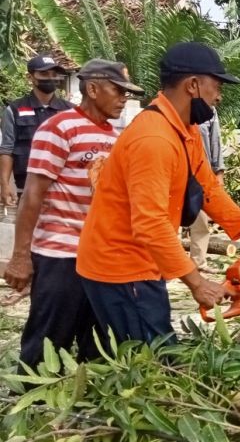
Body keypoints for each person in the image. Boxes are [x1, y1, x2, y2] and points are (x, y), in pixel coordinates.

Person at [76, 42, 240, 345]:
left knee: (126, 356)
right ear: (193, 85)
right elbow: (150, 223)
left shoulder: (185, 130)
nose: (219, 96)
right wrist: (197, 282)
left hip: (141, 264)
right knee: (152, 363)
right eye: (216, 86)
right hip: (122, 268)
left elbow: (208, 188)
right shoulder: (154, 139)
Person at [4, 60, 143, 369]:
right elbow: (33, 195)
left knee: (99, 344)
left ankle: (82, 411)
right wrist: (20, 256)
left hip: (100, 258)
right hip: (60, 255)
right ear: (92, 89)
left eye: (127, 93)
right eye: (118, 91)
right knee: (48, 342)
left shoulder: (114, 138)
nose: (124, 98)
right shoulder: (58, 128)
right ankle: (33, 406)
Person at [0, 54, 72, 206]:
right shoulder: (14, 110)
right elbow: (7, 149)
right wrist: (4, 185)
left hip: (63, 191)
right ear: (31, 77)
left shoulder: (70, 111)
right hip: (26, 189)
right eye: (44, 74)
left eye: (54, 74)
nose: (50, 78)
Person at [188, 107, 223, 270]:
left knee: (201, 221)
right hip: (174, 172)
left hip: (201, 175)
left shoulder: (209, 111)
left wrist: (218, 171)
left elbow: (215, 140)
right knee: (169, 221)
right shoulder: (169, 108)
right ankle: (171, 266)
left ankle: (198, 261)